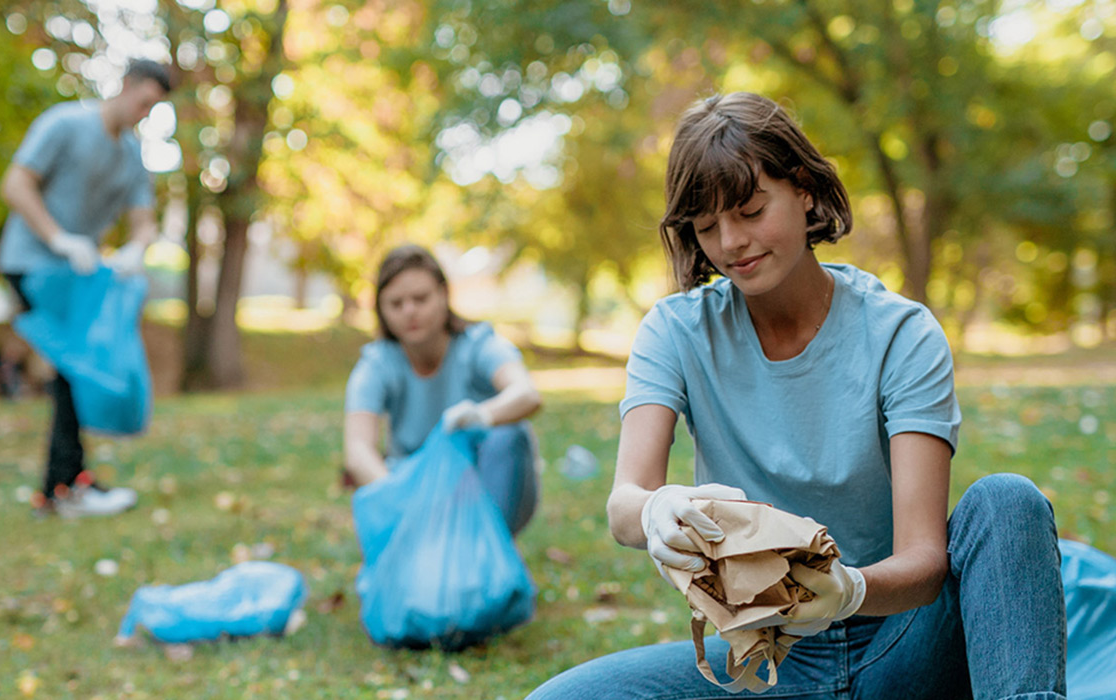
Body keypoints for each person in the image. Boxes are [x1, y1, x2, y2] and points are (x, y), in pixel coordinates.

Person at [528, 92, 1066, 699]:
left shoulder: (900, 333)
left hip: (904, 644)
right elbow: (625, 502)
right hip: (764, 660)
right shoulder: (676, 331)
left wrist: (847, 591)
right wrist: (655, 510)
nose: (731, 243)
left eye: (751, 212)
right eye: (707, 227)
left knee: (1006, 501)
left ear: (805, 189)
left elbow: (924, 562)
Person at [0, 58, 172, 518]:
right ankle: (65, 487)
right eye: (144, 102)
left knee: (73, 371)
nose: (144, 113)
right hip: (31, 262)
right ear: (126, 85)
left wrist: (136, 249)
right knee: (73, 368)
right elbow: (15, 185)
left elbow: (144, 222)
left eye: (154, 108)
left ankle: (65, 484)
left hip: (79, 274)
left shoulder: (131, 155)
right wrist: (57, 236)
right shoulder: (65, 124)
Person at [344, 244, 542, 534]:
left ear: (443, 295)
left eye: (420, 298)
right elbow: (357, 450)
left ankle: (489, 548)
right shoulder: (376, 365)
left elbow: (527, 394)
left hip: (483, 487)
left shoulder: (479, 345)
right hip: (415, 491)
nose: (409, 311)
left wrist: (480, 415)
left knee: (509, 436)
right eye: (396, 304)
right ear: (381, 310)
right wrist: (399, 496)